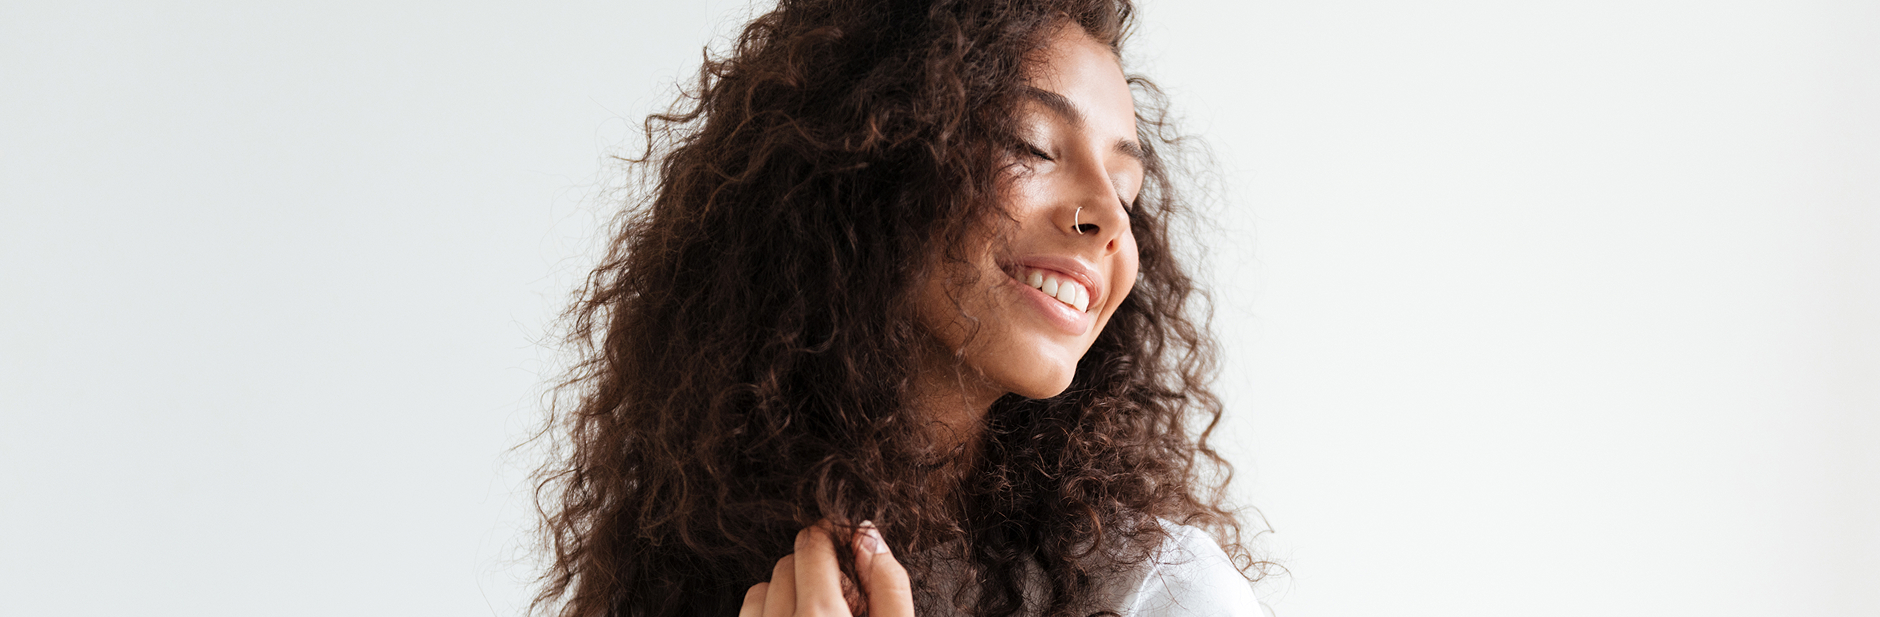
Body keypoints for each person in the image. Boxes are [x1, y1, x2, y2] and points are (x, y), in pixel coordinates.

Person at [534, 1, 1267, 616]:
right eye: (1033, 145)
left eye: (1128, 190)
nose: (1109, 217)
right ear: (867, 159)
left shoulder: (1163, 592)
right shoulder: (671, 572)